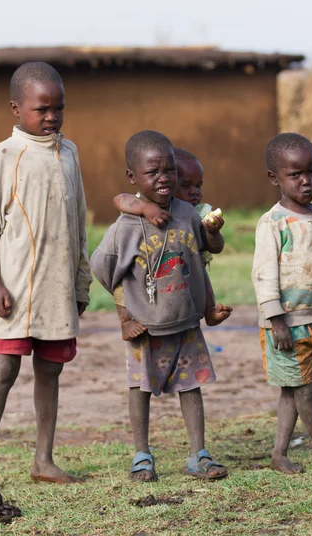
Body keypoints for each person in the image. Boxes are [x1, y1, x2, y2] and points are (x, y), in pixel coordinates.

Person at [0, 62, 92, 493]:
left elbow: (78, 223)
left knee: (51, 371)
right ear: (16, 109)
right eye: (42, 109)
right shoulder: (7, 153)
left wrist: (81, 282)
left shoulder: (70, 153)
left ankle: (44, 459)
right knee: (3, 369)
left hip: (58, 287)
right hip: (17, 287)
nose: (52, 117)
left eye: (58, 108)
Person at [91, 130, 228, 482]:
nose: (164, 178)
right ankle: (142, 455)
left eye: (169, 171)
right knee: (140, 388)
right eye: (153, 173)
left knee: (191, 386)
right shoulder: (127, 225)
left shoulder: (187, 213)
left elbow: (210, 248)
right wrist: (128, 308)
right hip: (145, 327)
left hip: (186, 323)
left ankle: (199, 454)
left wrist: (214, 231)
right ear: (133, 177)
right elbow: (102, 265)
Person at [252, 132, 312, 474]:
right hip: (285, 326)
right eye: (295, 175)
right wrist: (275, 319)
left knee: (294, 390)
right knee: (305, 391)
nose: (306, 181)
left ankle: (279, 454)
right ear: (274, 178)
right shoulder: (272, 223)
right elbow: (263, 276)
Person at [113, 146, 232, 339]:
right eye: (186, 186)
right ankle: (126, 321)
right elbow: (120, 199)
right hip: (144, 267)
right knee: (122, 279)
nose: (195, 192)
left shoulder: (197, 212)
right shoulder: (145, 203)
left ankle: (209, 310)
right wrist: (145, 208)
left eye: (198, 185)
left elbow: (215, 248)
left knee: (200, 270)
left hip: (185, 270)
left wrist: (213, 232)